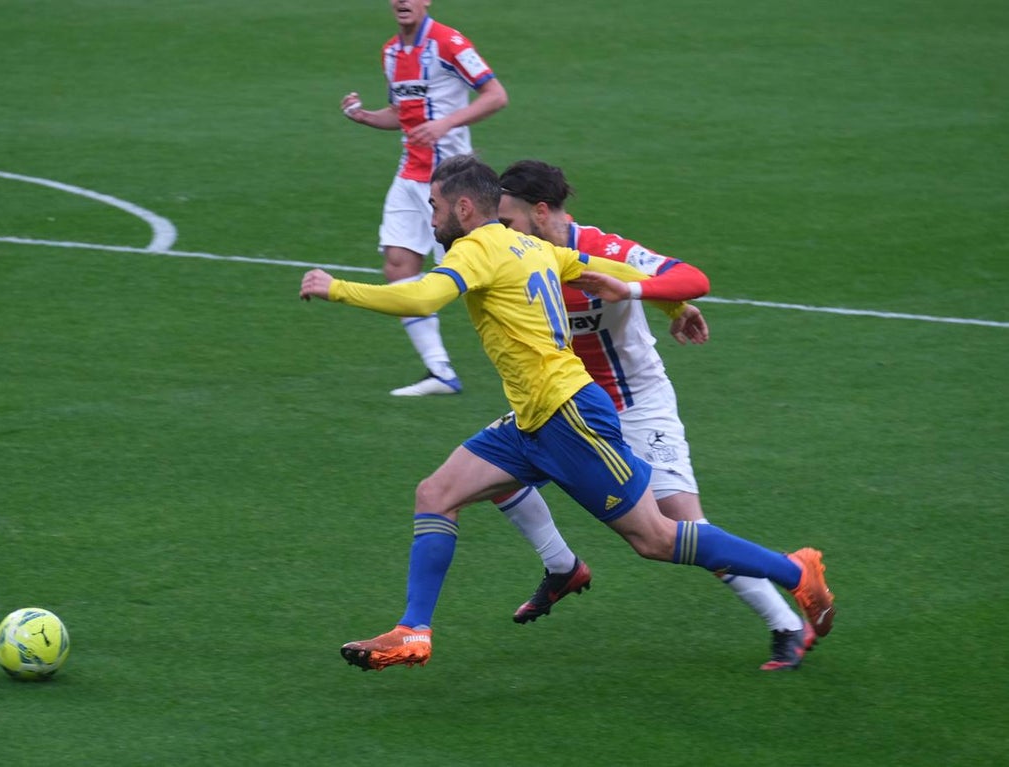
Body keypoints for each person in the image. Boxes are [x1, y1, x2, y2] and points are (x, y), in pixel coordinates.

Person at [299, 155, 835, 672]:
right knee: (436, 493)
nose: (431, 218)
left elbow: (420, 300)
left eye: (435, 206)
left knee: (657, 537)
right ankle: (414, 630)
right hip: (533, 419)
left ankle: (795, 570)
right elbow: (607, 272)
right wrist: (673, 306)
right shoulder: (532, 246)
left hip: (570, 415)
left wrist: (336, 289)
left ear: (464, 209)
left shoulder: (474, 250)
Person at [493, 160, 815, 670]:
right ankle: (562, 566)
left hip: (634, 406)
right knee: (489, 474)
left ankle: (788, 623)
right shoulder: (515, 253)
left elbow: (691, 278)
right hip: (563, 407)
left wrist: (644, 294)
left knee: (683, 525)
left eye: (508, 217)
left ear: (539, 211)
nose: (500, 227)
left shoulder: (604, 250)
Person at [340, 0, 508, 396]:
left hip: (453, 179)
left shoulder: (448, 42)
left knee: (478, 278)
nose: (402, 2)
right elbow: (402, 113)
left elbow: (495, 95)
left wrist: (445, 123)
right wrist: (364, 116)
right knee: (398, 266)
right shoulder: (391, 52)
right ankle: (440, 372)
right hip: (409, 175)